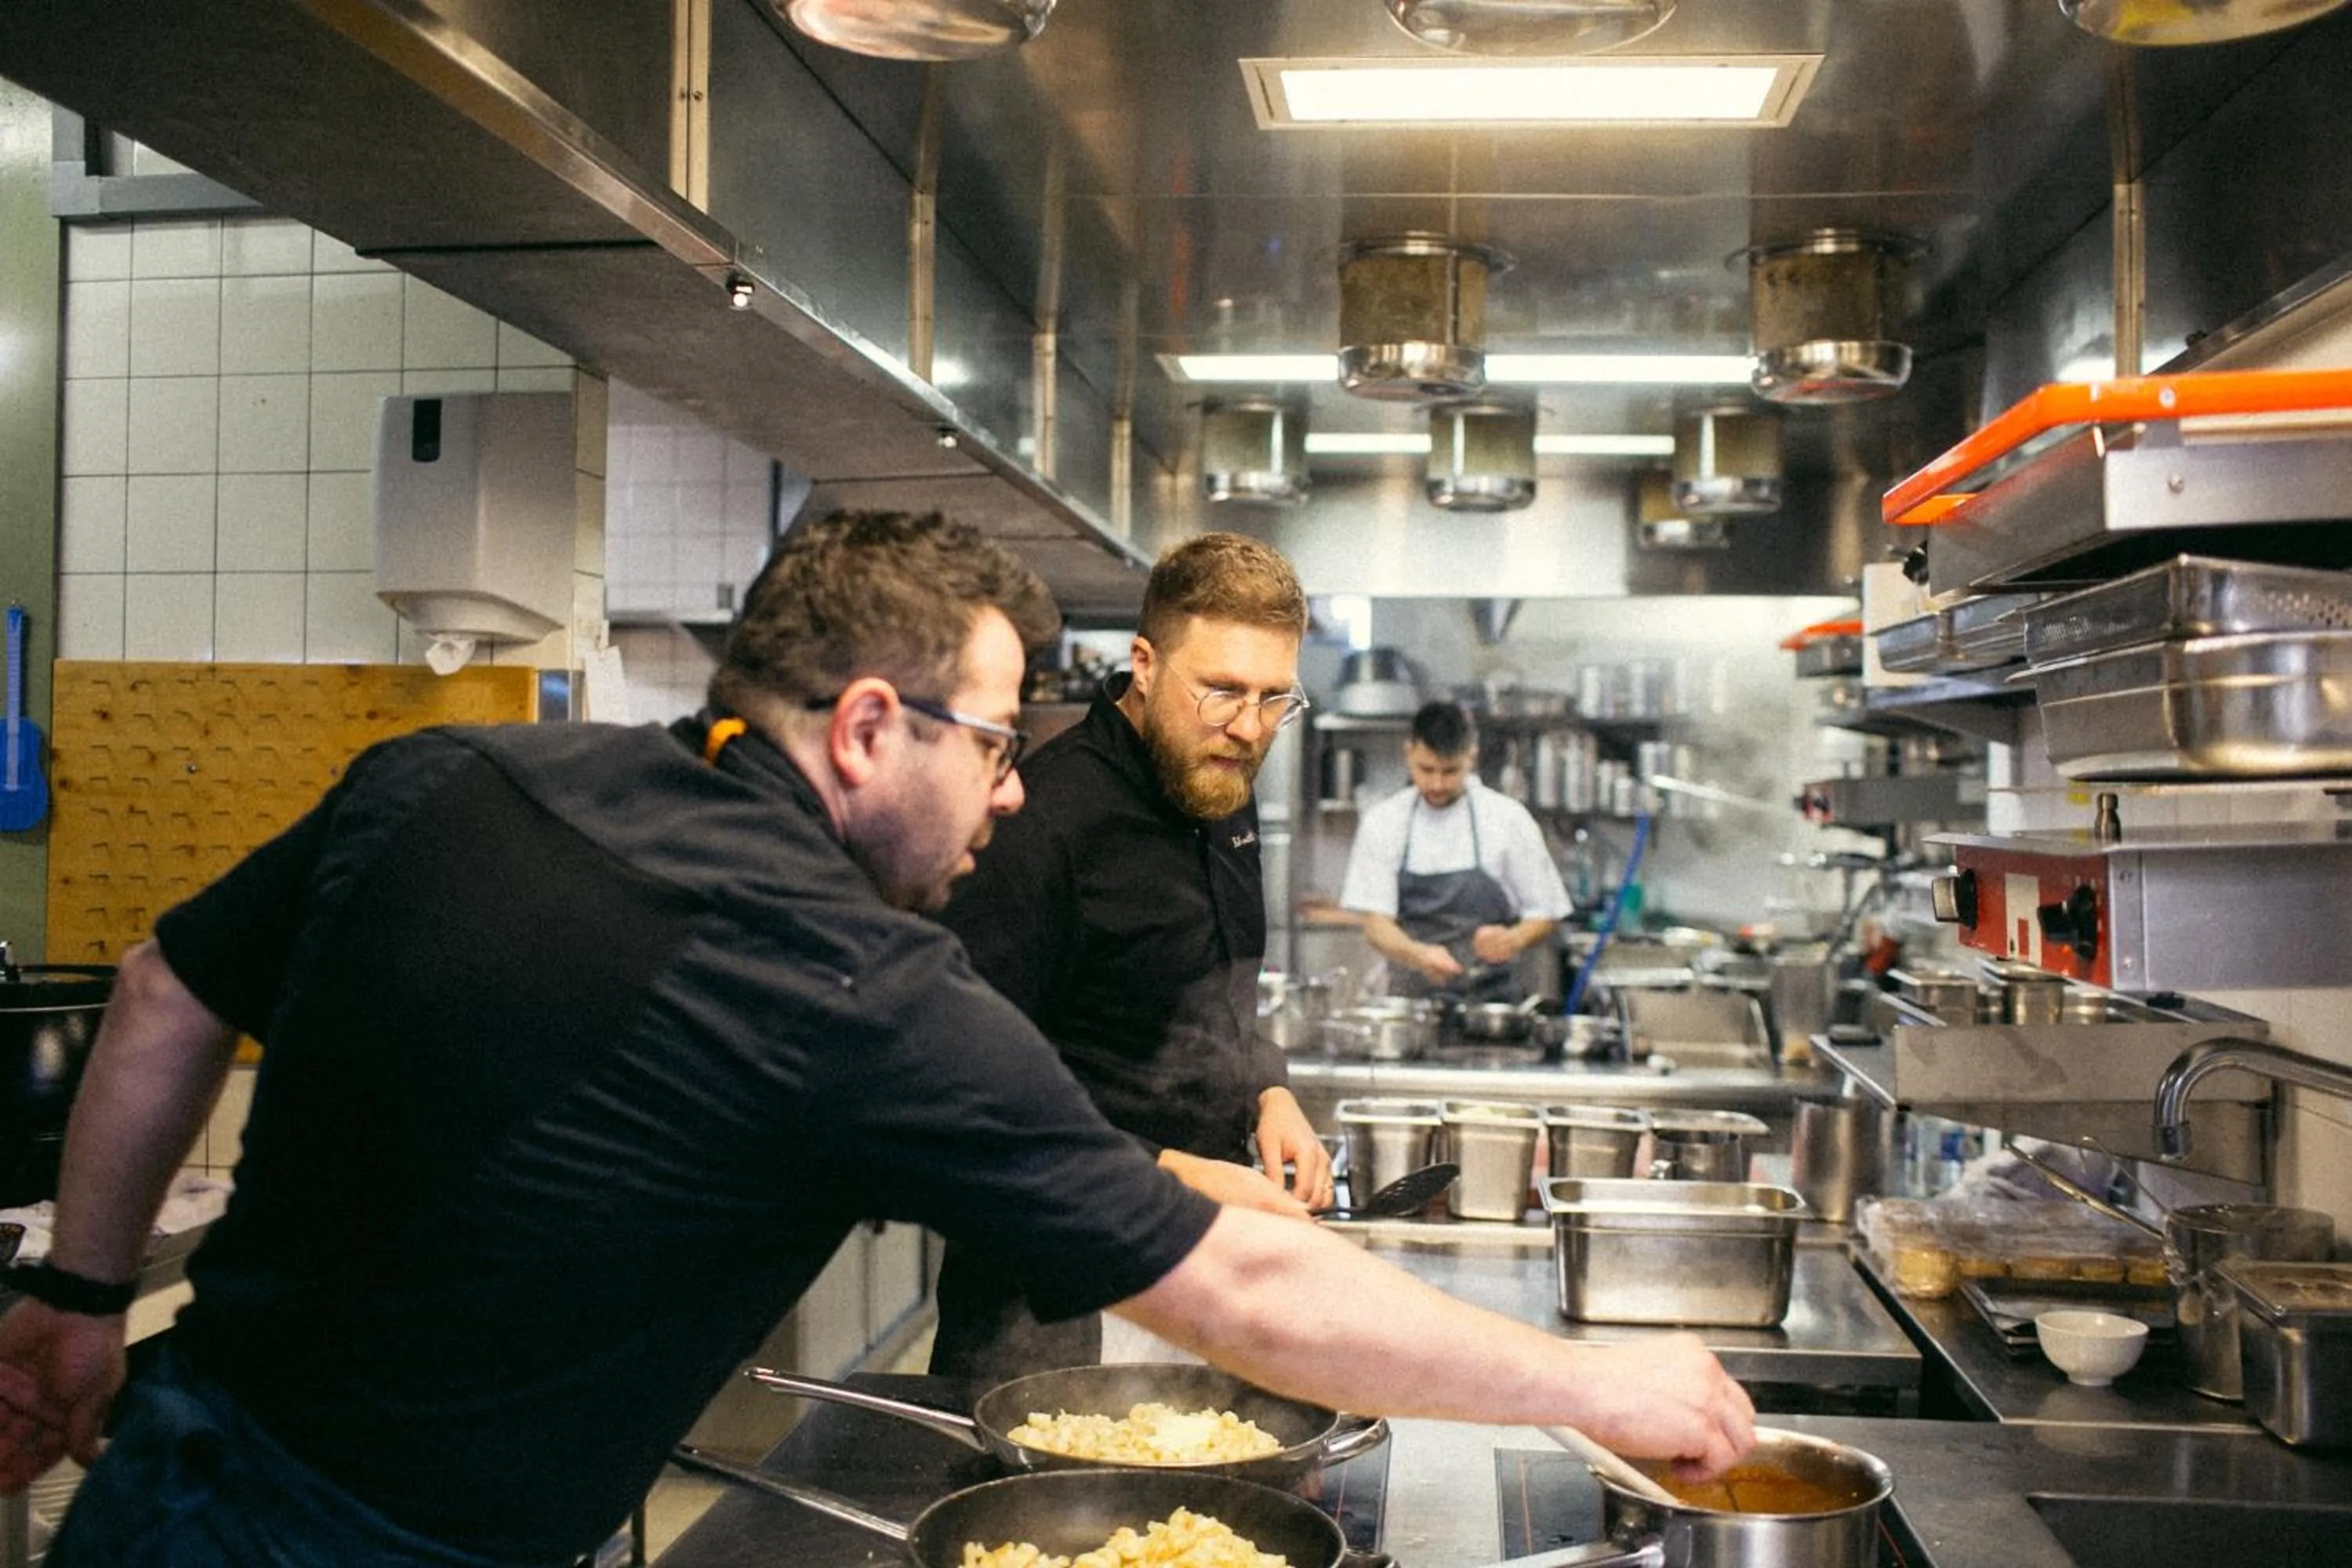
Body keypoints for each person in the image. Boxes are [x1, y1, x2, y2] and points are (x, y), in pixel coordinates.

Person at [0, 512, 1751, 1568]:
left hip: (168, 1466)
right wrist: (1605, 1391)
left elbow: (164, 988)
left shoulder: (447, 771)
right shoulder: (846, 982)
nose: (1007, 791)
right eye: (991, 743)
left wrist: (77, 1304)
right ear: (861, 727)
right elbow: (1246, 1294)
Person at [928, 532, 1333, 1381]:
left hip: (1200, 1274)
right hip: (1053, 1301)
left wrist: (1269, 1089)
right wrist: (1175, 1174)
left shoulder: (1220, 784)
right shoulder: (1039, 821)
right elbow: (968, 1098)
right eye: (1221, 691)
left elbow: (1217, 995)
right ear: (1144, 662)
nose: (1248, 727)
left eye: (1273, 699)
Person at [1339, 700, 1571, 1004]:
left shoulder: (1507, 819)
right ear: (1408, 752)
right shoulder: (1384, 821)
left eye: (1450, 771)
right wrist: (1419, 955)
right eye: (1426, 769)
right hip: (1409, 1009)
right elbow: (1375, 924)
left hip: (1490, 1009)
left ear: (1470, 757)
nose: (1436, 783)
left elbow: (1546, 912)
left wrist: (1513, 939)